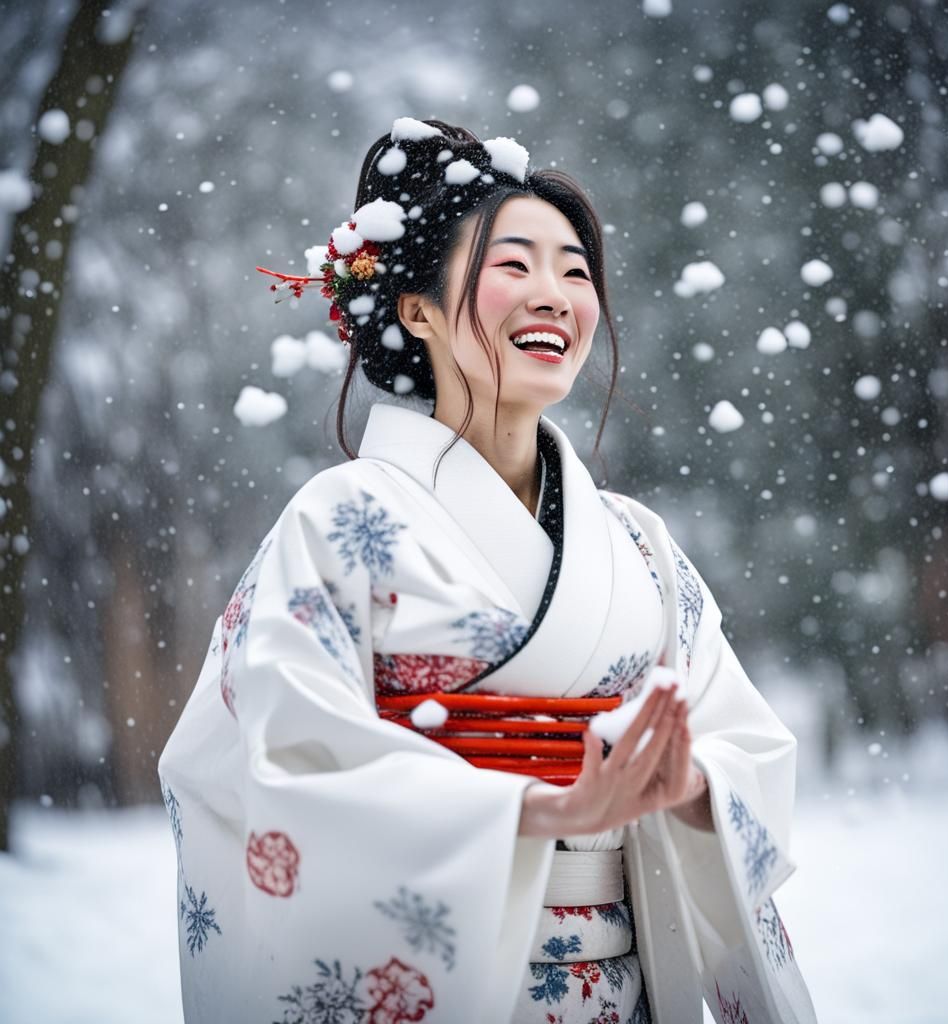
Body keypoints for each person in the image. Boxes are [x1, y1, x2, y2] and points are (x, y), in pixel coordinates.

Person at [158, 117, 817, 1024]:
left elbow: (749, 745)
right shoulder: (339, 521)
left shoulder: (639, 544)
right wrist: (534, 811)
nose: (554, 295)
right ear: (416, 309)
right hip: (435, 982)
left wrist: (693, 787)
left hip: (624, 986)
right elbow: (290, 762)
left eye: (576, 272)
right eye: (514, 265)